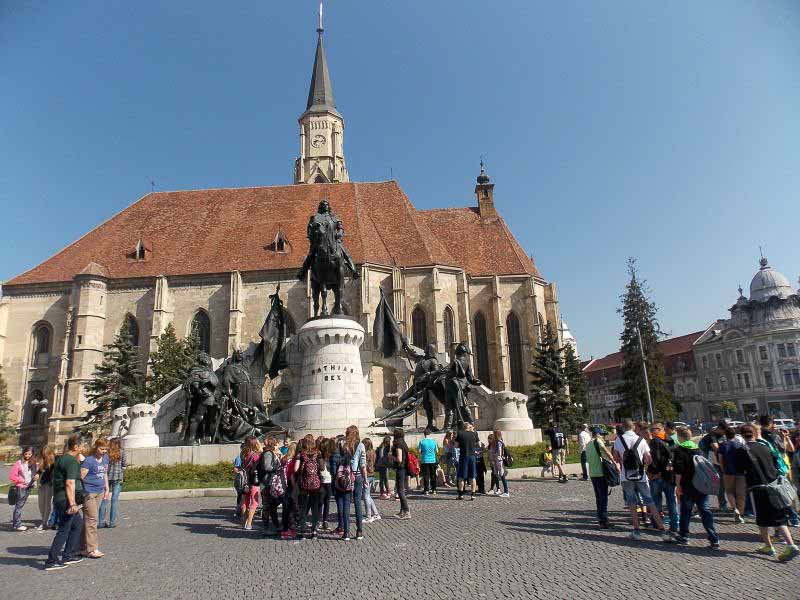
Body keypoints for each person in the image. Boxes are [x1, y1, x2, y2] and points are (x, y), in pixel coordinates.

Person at [736, 424, 799, 561]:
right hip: (774, 485)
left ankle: (774, 546)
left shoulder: (742, 450)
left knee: (761, 519)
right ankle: (785, 545)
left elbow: (739, 470)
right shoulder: (765, 446)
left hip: (757, 488)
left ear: (741, 435)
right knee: (779, 517)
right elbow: (775, 463)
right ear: (754, 434)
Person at [612, 419, 668, 541]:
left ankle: (636, 530)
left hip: (626, 476)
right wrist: (642, 465)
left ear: (623, 428)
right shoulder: (641, 440)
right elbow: (648, 459)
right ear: (633, 427)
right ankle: (662, 530)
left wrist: (623, 460)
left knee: (632, 503)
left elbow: (616, 458)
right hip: (641, 475)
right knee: (649, 501)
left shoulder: (618, 440)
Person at [671, 426, 720, 548]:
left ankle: (684, 536)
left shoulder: (679, 450)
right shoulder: (697, 449)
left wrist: (678, 486)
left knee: (686, 511)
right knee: (705, 511)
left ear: (680, 437)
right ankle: (713, 538)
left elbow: (678, 472)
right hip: (701, 484)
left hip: (687, 485)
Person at [45, 435, 86, 570]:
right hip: (66, 500)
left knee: (77, 525)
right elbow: (69, 482)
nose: (83, 448)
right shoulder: (71, 461)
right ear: (76, 447)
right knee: (64, 529)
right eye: (82, 445)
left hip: (61, 498)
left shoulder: (62, 458)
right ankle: (51, 561)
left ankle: (68, 555)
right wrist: (72, 503)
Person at [758, 415, 799, 526]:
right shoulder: (774, 436)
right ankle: (793, 516)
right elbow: (785, 449)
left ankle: (789, 516)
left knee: (778, 493)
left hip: (767, 468)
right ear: (771, 423)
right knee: (786, 492)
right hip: (780, 467)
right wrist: (783, 438)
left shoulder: (759, 436)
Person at [80, 438, 109, 558]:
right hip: (89, 493)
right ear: (96, 447)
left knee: (88, 520)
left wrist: (107, 488)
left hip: (100, 491)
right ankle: (92, 549)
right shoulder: (89, 461)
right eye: (101, 449)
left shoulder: (105, 458)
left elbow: (105, 473)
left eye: (105, 449)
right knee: (92, 519)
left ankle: (82, 547)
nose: (104, 451)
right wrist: (84, 490)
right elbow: (81, 476)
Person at [647, 422, 678, 535]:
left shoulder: (655, 441)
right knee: (671, 502)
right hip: (669, 476)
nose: (651, 432)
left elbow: (654, 459)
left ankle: (656, 523)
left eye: (653, 429)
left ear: (660, 429)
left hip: (658, 476)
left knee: (656, 501)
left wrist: (653, 472)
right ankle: (674, 525)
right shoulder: (671, 440)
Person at [294, 434, 323, 539]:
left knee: (302, 507)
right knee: (315, 507)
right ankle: (314, 531)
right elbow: (322, 467)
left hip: (303, 483)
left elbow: (295, 469)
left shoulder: (301, 453)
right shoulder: (318, 452)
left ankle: (302, 531)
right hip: (316, 484)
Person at [585, 427, 614, 528]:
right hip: (601, 473)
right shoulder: (598, 441)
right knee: (604, 497)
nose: (602, 437)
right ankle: (604, 519)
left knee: (598, 497)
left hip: (593, 473)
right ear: (597, 434)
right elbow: (607, 452)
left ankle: (600, 517)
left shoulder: (588, 444)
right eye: (601, 434)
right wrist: (614, 462)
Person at [717, 425, 747, 523]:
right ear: (734, 435)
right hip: (741, 472)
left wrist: (723, 469)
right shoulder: (740, 444)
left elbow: (720, 459)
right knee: (741, 494)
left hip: (728, 472)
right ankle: (741, 513)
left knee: (729, 491)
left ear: (725, 435)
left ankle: (735, 508)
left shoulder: (723, 445)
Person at [698, 421, 728, 510]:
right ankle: (722, 504)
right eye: (724, 431)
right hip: (714, 462)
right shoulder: (712, 436)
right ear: (720, 429)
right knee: (720, 483)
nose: (724, 433)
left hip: (719, 460)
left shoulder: (721, 435)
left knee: (723, 482)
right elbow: (717, 450)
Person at [259, 437, 284, 536]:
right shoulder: (268, 453)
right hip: (267, 483)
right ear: (273, 444)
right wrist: (277, 468)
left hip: (270, 482)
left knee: (272, 505)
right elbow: (267, 466)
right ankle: (266, 527)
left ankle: (276, 525)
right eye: (277, 443)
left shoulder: (272, 453)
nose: (278, 445)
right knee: (267, 506)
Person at [9, 446, 37, 531]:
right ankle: (17, 525)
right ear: (23, 454)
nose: (27, 455)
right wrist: (21, 480)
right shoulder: (19, 463)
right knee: (19, 506)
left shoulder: (32, 463)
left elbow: (33, 474)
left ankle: (16, 524)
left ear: (32, 454)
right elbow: (12, 476)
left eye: (29, 454)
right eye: (26, 454)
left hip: (28, 487)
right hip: (21, 487)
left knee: (19, 506)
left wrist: (35, 480)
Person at [99, 438, 125, 528]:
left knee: (104, 499)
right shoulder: (121, 452)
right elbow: (124, 465)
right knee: (114, 500)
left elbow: (103, 464)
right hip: (118, 477)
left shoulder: (106, 453)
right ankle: (112, 522)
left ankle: (101, 521)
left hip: (106, 477)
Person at [239, 436, 262, 531]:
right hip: (254, 482)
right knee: (254, 503)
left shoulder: (243, 454)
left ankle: (244, 523)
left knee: (245, 502)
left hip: (246, 482)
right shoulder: (255, 456)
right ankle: (249, 524)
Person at [455, 423, 479, 500]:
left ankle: (461, 494)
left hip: (463, 456)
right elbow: (477, 444)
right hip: (472, 456)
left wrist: (462, 445)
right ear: (469, 427)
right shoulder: (474, 434)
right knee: (472, 476)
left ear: (463, 427)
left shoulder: (460, 434)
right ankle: (473, 495)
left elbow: (456, 445)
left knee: (461, 476)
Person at [280, 441, 299, 540]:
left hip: (285, 485)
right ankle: (291, 529)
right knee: (292, 508)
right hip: (291, 485)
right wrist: (295, 487)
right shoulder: (293, 461)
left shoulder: (284, 459)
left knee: (286, 508)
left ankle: (284, 528)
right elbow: (292, 475)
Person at [392, 428, 411, 519]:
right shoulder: (403, 443)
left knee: (400, 491)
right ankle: (402, 511)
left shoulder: (398, 444)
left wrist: (392, 457)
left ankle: (407, 511)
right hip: (404, 468)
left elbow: (399, 459)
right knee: (400, 490)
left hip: (401, 468)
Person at [37, 446, 56, 530]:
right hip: (42, 484)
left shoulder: (53, 461)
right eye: (43, 455)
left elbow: (53, 473)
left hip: (49, 484)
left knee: (47, 503)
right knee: (41, 504)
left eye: (45, 455)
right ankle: (44, 520)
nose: (44, 456)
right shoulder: (42, 460)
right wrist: (37, 475)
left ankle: (44, 523)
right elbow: (40, 471)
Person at [362, 437, 381, 522]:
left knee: (366, 496)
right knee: (368, 495)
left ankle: (368, 516)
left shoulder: (365, 453)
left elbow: (364, 464)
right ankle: (376, 514)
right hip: (372, 473)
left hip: (367, 474)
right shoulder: (373, 452)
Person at [489, 430, 510, 497]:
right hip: (496, 461)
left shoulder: (499, 442)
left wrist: (493, 458)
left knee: (502, 475)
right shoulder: (496, 442)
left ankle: (506, 492)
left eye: (494, 434)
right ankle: (499, 489)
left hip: (498, 461)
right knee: (495, 474)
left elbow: (499, 453)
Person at [418, 429, 438, 495]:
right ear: (430, 434)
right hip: (433, 460)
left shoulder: (421, 442)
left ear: (424, 434)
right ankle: (434, 490)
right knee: (433, 475)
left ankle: (426, 490)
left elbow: (419, 451)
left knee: (426, 476)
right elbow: (436, 451)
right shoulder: (434, 441)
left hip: (425, 460)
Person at [375, 435, 392, 499]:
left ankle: (385, 491)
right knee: (384, 479)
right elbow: (381, 457)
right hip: (382, 465)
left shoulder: (384, 447)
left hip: (383, 465)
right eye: (389, 441)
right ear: (387, 441)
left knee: (384, 479)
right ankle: (384, 492)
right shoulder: (382, 447)